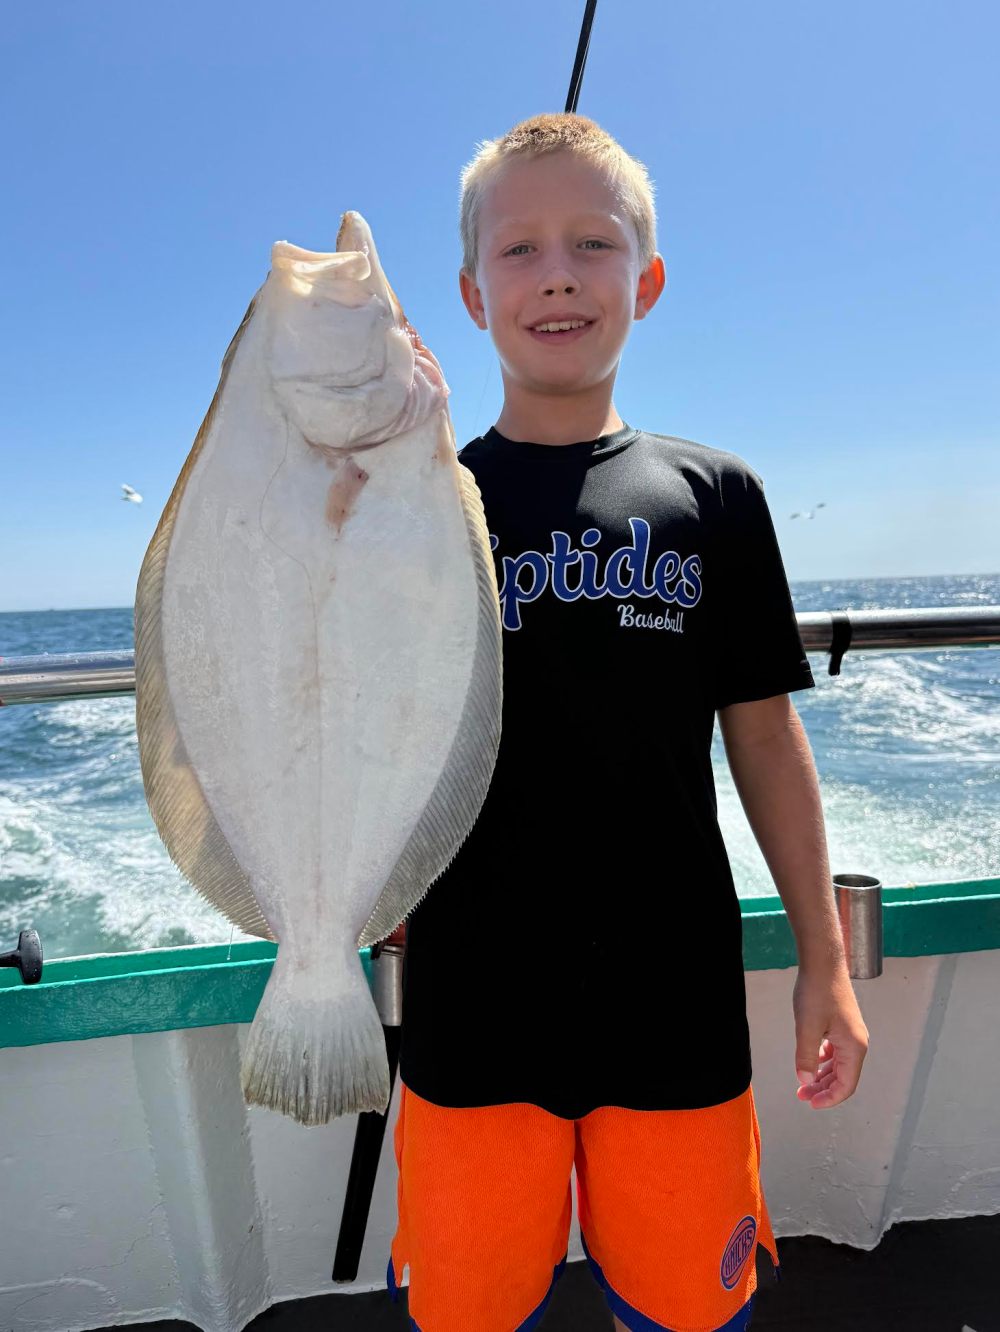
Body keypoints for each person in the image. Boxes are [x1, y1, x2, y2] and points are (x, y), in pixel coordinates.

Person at [384, 112, 870, 1332]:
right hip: (467, 1004)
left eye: (593, 243)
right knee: (468, 1312)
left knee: (687, 1311)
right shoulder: (413, 496)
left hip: (675, 1005)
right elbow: (349, 707)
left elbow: (765, 737)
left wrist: (821, 958)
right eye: (519, 248)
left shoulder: (716, 496)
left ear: (645, 284)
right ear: (467, 294)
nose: (556, 272)